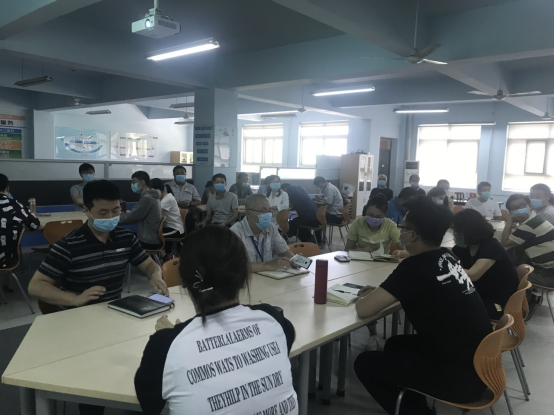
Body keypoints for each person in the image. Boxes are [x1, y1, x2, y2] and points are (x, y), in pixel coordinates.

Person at [134, 226, 297, 415]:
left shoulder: (164, 345)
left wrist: (175, 337)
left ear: (183, 281)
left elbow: (150, 405)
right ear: (244, 277)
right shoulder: (274, 319)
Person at [354, 197, 492, 415]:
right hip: (482, 366)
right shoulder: (447, 257)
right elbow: (426, 289)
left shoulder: (414, 268)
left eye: (402, 228)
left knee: (364, 363)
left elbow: (364, 310)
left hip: (458, 379)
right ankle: (414, 404)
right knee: (395, 344)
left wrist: (364, 298)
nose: (400, 232)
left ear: (412, 235)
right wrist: (385, 292)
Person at [346, 194, 400, 351]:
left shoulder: (390, 225)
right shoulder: (358, 223)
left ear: (385, 215)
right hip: (358, 267)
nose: (373, 219)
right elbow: (347, 249)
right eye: (370, 214)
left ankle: (373, 334)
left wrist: (400, 252)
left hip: (382, 267)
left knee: (372, 295)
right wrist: (361, 250)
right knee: (362, 292)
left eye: (378, 216)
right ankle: (371, 332)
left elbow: (401, 248)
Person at [452, 209, 519, 319]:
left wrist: (447, 268)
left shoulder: (491, 246)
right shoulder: (467, 245)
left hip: (498, 301)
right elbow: (449, 255)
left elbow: (473, 275)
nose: (455, 234)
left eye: (457, 230)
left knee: (448, 305)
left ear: (469, 231)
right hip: (480, 291)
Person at [231, 194, 298, 273]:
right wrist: (267, 265)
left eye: (269, 210)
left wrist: (294, 259)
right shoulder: (235, 233)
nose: (268, 214)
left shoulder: (271, 228)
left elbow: (284, 252)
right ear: (249, 213)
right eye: (263, 211)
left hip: (268, 277)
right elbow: (235, 266)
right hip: (245, 278)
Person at [502, 193, 554, 292]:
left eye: (522, 205)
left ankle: (517, 299)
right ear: (511, 212)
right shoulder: (535, 219)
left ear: (530, 206)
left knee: (506, 271)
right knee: (517, 257)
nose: (520, 209)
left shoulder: (531, 224)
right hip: (548, 269)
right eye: (515, 208)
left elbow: (504, 242)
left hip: (549, 274)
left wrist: (509, 221)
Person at [0, 174, 41, 292]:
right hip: (7, 260)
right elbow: (35, 225)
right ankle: (7, 285)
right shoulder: (15, 205)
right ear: (7, 188)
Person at [119, 171, 163, 250]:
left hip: (147, 240)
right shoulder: (152, 196)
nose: (132, 185)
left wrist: (113, 219)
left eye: (134, 182)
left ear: (142, 182)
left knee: (120, 238)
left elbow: (131, 217)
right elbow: (136, 213)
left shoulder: (147, 198)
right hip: (151, 237)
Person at [151, 179, 185, 261]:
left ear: (157, 190)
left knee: (152, 236)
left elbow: (154, 214)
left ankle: (166, 257)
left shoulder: (167, 199)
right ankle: (161, 256)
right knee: (150, 234)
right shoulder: (162, 198)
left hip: (175, 229)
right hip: (167, 227)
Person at [164, 166, 201, 233]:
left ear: (185, 174)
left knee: (190, 231)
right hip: (172, 215)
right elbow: (162, 201)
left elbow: (198, 201)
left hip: (187, 215)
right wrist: (177, 203)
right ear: (174, 175)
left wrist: (190, 204)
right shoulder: (166, 186)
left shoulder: (191, 187)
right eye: (178, 173)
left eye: (182, 173)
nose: (180, 175)